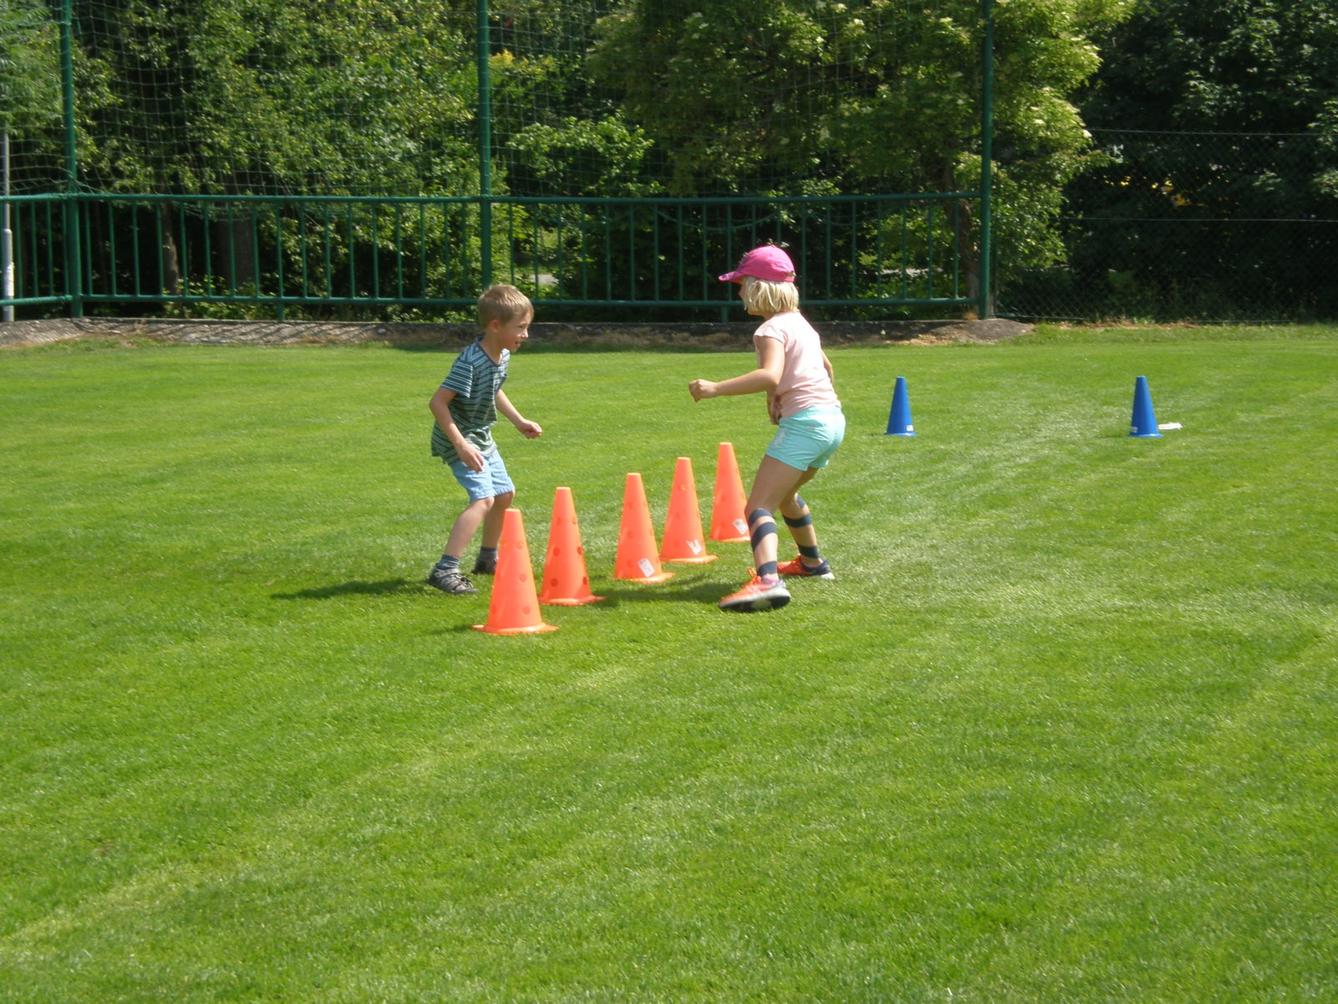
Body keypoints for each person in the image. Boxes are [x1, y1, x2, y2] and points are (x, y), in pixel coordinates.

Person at [689, 244, 844, 612]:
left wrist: (715, 388)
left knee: (758, 506)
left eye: (742, 284)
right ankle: (812, 564)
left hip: (806, 425)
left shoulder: (769, 330)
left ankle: (767, 581)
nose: (739, 292)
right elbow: (825, 368)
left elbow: (769, 373)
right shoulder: (801, 323)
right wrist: (776, 398)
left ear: (760, 287)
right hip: (832, 421)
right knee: (786, 495)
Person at [426, 284, 542, 595]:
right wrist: (461, 446)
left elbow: (493, 389)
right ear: (495, 325)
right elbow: (438, 402)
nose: (526, 335)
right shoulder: (471, 361)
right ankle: (445, 569)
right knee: (484, 499)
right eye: (521, 327)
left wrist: (518, 421)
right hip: (459, 440)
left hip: (480, 436)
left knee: (504, 494)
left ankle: (488, 559)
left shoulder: (501, 355)